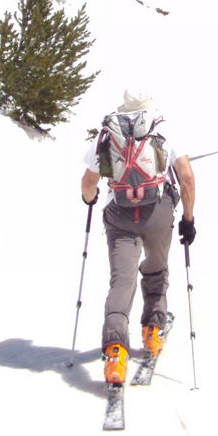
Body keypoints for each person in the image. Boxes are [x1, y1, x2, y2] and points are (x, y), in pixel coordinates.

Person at [80, 89, 196, 385]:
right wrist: (188, 219)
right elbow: (187, 178)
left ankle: (116, 352)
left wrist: (90, 199)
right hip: (158, 212)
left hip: (119, 214)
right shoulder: (162, 129)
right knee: (156, 267)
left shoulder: (107, 133)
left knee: (122, 280)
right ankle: (153, 331)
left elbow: (88, 183)